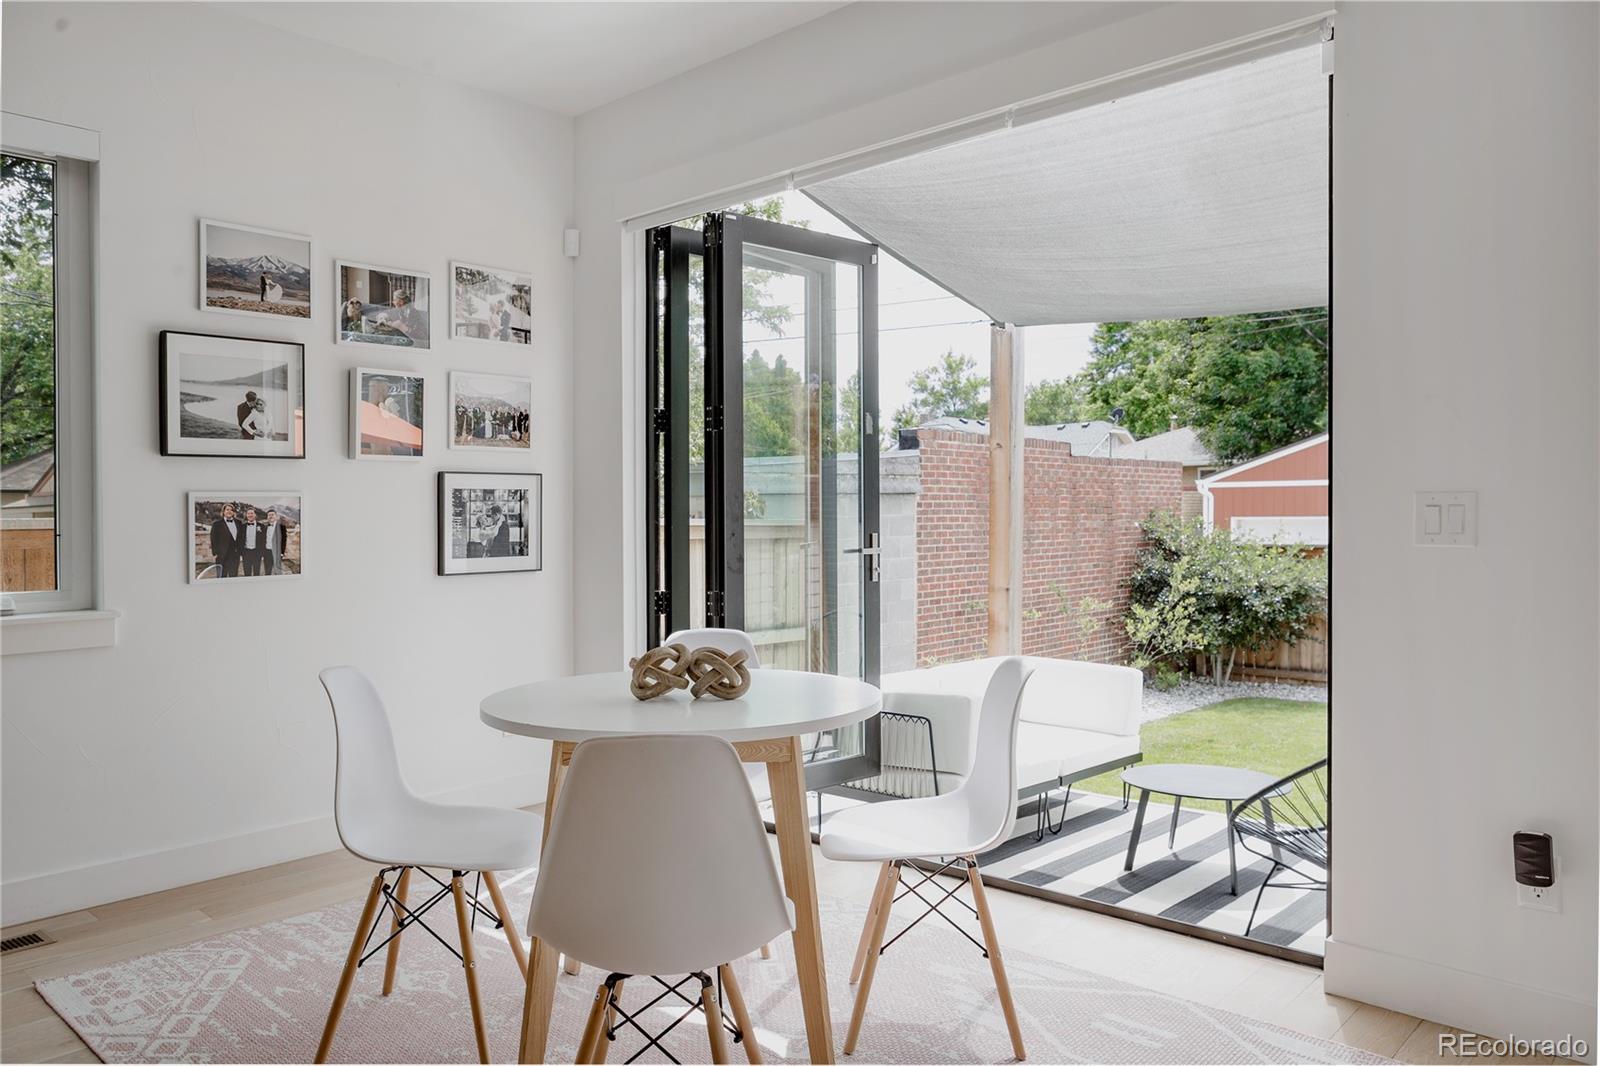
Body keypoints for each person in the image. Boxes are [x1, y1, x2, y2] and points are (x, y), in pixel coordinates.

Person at [209, 502, 245, 577]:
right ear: (223, 512)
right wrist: (215, 553)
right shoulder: (217, 524)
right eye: (227, 509)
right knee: (221, 576)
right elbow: (213, 539)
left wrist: (240, 552)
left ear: (233, 512)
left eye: (231, 510)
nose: (229, 511)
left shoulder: (239, 522)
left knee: (233, 576)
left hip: (235, 555)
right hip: (222, 555)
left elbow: (241, 538)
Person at [240, 506, 266, 577]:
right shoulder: (242, 526)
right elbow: (240, 540)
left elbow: (264, 540)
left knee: (256, 572)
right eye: (248, 513)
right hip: (246, 553)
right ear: (246, 515)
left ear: (255, 515)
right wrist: (241, 553)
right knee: (247, 572)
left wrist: (262, 553)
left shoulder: (262, 526)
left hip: (257, 552)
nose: (250, 515)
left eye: (252, 513)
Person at [263, 508, 287, 575]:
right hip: (267, 551)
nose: (271, 516)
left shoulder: (282, 527)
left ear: (276, 516)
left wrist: (282, 552)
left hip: (277, 551)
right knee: (267, 570)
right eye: (269, 515)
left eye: (272, 515)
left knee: (277, 569)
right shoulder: (264, 527)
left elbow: (284, 541)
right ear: (267, 517)